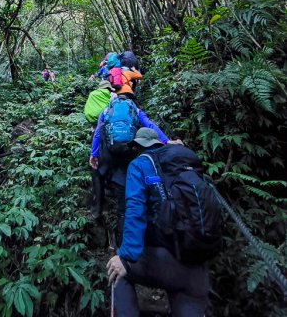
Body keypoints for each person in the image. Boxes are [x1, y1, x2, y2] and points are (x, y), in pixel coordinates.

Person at [107, 128, 211, 317]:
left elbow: (135, 209)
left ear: (138, 146)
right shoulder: (186, 163)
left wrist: (125, 257)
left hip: (162, 260)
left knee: (117, 272)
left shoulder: (139, 164)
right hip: (196, 264)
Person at [89, 107, 169, 241]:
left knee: (98, 173)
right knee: (125, 194)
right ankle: (125, 228)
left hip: (109, 154)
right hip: (128, 153)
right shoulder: (135, 110)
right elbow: (150, 124)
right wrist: (166, 141)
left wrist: (93, 153)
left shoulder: (106, 111)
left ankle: (98, 211)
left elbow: (98, 132)